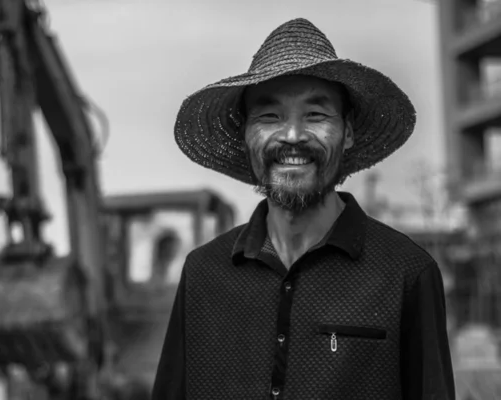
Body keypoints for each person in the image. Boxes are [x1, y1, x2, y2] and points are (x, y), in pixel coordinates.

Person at [152, 18, 455, 400]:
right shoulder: (203, 274)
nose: (292, 136)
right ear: (245, 135)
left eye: (315, 115)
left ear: (347, 133)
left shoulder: (406, 274)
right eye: (269, 116)